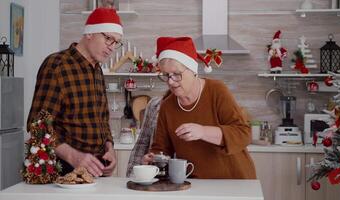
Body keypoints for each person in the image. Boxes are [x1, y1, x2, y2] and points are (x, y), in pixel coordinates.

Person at [27, 8, 124, 177]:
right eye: (108, 38)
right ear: (89, 33)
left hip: (94, 170)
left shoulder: (97, 69)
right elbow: (37, 125)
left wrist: (110, 147)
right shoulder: (57, 65)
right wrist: (74, 156)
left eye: (116, 42)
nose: (111, 47)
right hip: (63, 170)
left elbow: (102, 120)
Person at [142, 37, 256, 179]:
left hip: (234, 181)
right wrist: (154, 160)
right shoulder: (167, 106)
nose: (171, 81)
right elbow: (161, 149)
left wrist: (203, 131)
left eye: (177, 75)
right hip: (195, 185)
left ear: (193, 70)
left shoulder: (216, 91)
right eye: (166, 75)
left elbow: (243, 134)